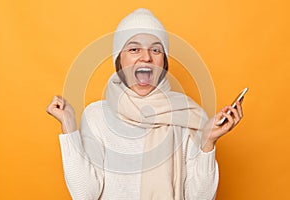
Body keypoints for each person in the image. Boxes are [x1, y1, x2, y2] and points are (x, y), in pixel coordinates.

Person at [46, 8, 244, 200]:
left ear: (164, 62)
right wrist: (69, 128)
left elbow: (200, 198)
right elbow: (84, 194)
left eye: (156, 50)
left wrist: (208, 142)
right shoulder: (96, 115)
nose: (146, 57)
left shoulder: (187, 116)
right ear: (119, 59)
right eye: (134, 49)